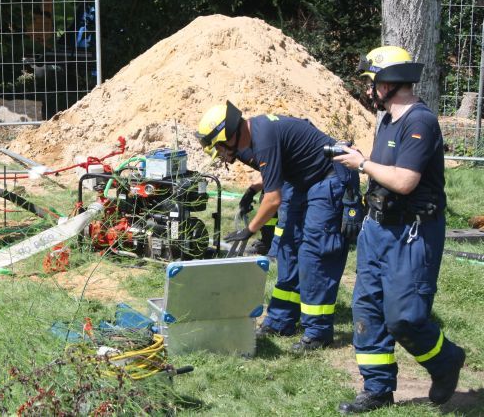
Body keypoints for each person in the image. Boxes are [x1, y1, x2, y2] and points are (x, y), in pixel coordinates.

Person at [333, 46, 465, 413]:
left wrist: (362, 165)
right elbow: (384, 170)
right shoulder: (388, 120)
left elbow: (405, 181)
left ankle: (446, 361)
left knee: (404, 316)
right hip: (378, 228)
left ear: (389, 82)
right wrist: (363, 163)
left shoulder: (419, 121)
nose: (368, 90)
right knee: (368, 309)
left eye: (371, 82)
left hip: (413, 233)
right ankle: (376, 390)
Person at [196, 101, 361, 352]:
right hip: (301, 181)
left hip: (328, 179)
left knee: (313, 254)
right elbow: (276, 170)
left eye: (218, 146)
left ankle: (318, 331)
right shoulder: (251, 139)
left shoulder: (264, 138)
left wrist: (249, 230)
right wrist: (252, 189)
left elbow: (273, 199)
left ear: (229, 135)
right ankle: (282, 320)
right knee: (287, 248)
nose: (219, 153)